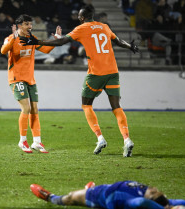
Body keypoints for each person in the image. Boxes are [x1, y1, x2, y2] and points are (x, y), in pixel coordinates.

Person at [20, 5, 138, 156]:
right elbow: (119, 41)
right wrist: (131, 47)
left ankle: (100, 138)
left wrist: (36, 43)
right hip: (113, 71)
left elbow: (61, 42)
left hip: (96, 73)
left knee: (86, 104)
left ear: (82, 18)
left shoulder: (81, 28)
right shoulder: (104, 27)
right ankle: (127, 140)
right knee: (116, 106)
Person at [0, 14, 61, 154]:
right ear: (20, 25)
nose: (30, 27)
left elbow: (45, 49)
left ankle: (37, 141)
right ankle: (22, 141)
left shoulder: (31, 40)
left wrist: (55, 39)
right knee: (26, 108)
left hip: (30, 79)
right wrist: (13, 38)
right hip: (16, 78)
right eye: (27, 24)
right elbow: (3, 50)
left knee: (35, 109)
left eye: (30, 24)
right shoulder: (11, 38)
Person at [30, 181, 185, 209]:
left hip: (98, 196)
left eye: (153, 192)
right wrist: (170, 204)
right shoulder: (147, 192)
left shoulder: (135, 200)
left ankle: (50, 197)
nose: (153, 188)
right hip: (106, 188)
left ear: (151, 199)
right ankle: (87, 187)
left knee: (70, 198)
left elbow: (140, 203)